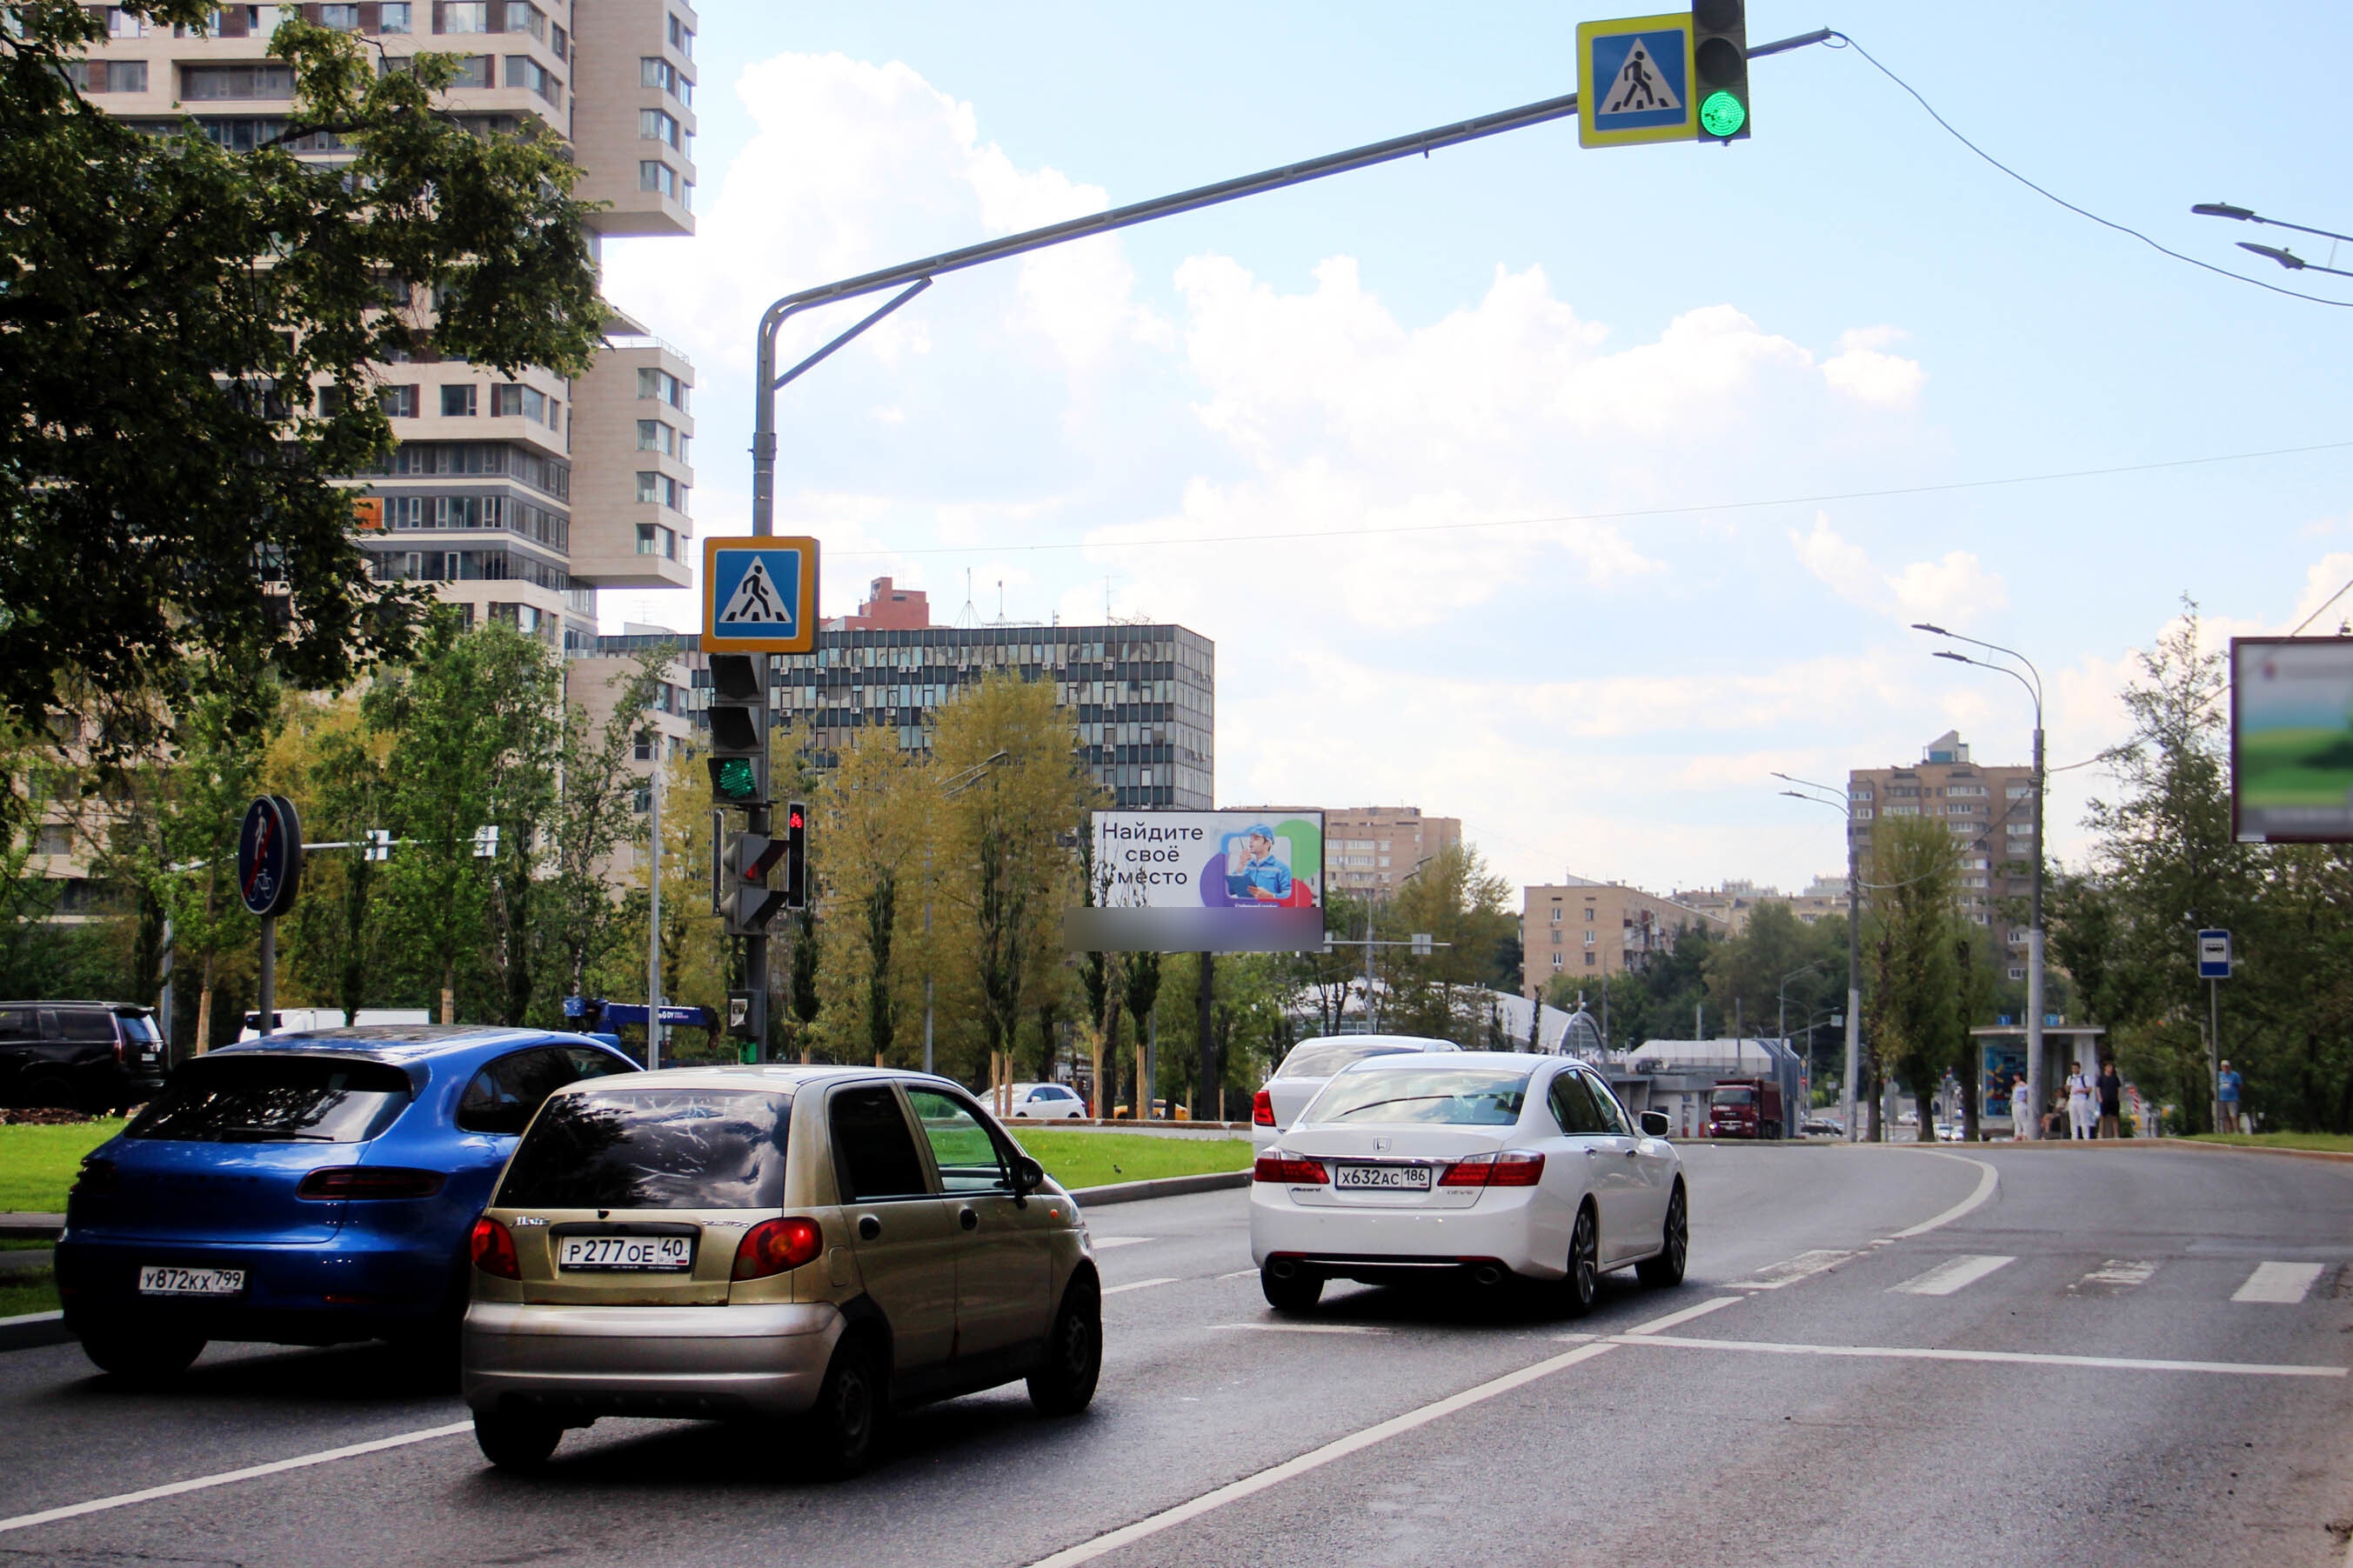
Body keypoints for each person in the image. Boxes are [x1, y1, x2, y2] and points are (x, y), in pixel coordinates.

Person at [1227, 825, 1292, 903]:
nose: (1251, 841)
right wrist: (1240, 868)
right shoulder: (1246, 866)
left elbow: (1290, 895)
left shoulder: (1281, 869)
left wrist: (1271, 896)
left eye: (1256, 838)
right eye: (1251, 838)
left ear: (1268, 843)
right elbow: (1229, 891)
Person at [2065, 1061, 2095, 1140]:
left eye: (2075, 1068)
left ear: (2079, 1068)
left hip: (2081, 1099)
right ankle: (2074, 1136)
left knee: (2083, 1118)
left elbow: (2089, 1089)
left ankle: (2086, 1136)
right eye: (2073, 1068)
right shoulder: (2070, 1078)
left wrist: (2080, 1090)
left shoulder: (2084, 1077)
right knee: (2073, 1119)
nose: (2074, 1070)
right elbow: (2067, 1089)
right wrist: (2068, 1087)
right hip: (2073, 1099)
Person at [2096, 1058, 2123, 1139]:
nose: (2110, 1068)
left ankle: (2116, 1134)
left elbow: (2118, 1088)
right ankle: (2100, 1134)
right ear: (2105, 1068)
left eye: (2111, 1067)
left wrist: (2118, 1098)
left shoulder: (2115, 1078)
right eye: (2108, 1066)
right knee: (2103, 1117)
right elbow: (2098, 1088)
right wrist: (2100, 1098)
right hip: (2104, 1100)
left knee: (2114, 1117)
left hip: (2114, 1100)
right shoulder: (2101, 1078)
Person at [2216, 1059, 2244, 1135]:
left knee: (2233, 1115)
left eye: (2227, 1066)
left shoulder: (2235, 1075)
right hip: (2222, 1098)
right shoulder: (2219, 1075)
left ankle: (2236, 1131)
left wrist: (2235, 1092)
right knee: (2224, 1116)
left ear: (2229, 1067)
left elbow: (2240, 1086)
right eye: (2224, 1066)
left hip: (2233, 1098)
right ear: (2221, 1067)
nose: (2226, 1068)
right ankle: (2228, 1132)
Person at [2009, 1073, 2034, 1141]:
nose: (2015, 1077)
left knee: (2023, 1119)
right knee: (2016, 1120)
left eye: (2017, 1076)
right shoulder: (2015, 1085)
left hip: (2021, 1103)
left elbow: (2028, 1088)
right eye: (2014, 1076)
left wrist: (2026, 1098)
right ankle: (2017, 1134)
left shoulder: (2022, 1084)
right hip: (2014, 1103)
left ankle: (2025, 1134)